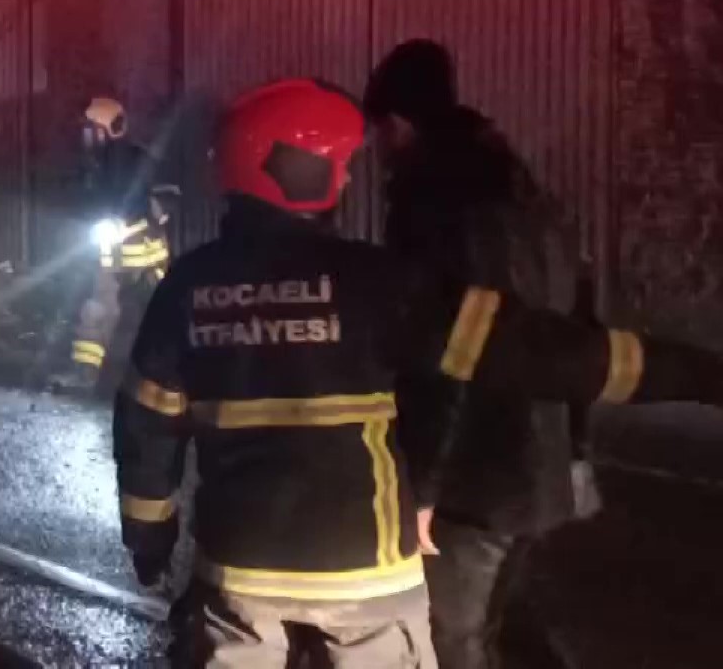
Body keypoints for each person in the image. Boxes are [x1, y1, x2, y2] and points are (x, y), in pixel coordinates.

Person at [114, 78, 723, 668]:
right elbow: (542, 353)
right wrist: (701, 376)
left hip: (238, 575)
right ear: (300, 170)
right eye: (340, 163)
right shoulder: (377, 282)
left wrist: (150, 543)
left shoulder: (187, 289)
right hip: (366, 579)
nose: (351, 175)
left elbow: (145, 430)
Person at [364, 40, 589, 669]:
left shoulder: (434, 204)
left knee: (449, 637)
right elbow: (581, 324)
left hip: (477, 471)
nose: (376, 151)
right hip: (537, 460)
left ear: (399, 126)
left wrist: (425, 487)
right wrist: (575, 448)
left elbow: (448, 353)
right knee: (502, 628)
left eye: (378, 133)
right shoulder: (525, 193)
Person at [65, 96, 169, 388]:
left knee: (161, 313)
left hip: (145, 255)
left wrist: (152, 212)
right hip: (111, 252)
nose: (84, 135)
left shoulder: (137, 159)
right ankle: (85, 374)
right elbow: (92, 200)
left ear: (108, 128)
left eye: (90, 129)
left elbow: (164, 194)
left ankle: (169, 379)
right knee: (97, 308)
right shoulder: (93, 164)